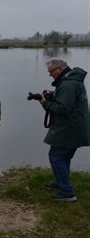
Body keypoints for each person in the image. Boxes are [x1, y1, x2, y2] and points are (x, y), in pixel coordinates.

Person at [38, 58, 88, 202]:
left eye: (51, 72)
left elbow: (63, 108)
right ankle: (61, 183)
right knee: (63, 156)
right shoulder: (72, 80)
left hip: (70, 128)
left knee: (56, 156)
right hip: (75, 126)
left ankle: (67, 193)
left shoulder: (68, 84)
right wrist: (52, 95)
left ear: (59, 69)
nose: (50, 75)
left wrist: (45, 103)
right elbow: (67, 101)